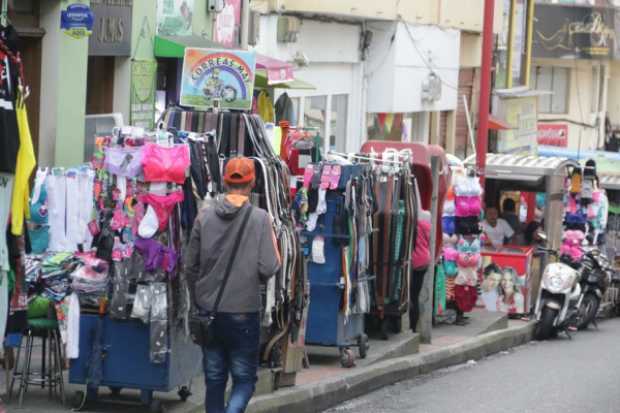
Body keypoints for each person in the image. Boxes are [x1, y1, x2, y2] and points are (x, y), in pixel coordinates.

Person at [185, 157, 281, 413]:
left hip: (209, 311)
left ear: (225, 182)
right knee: (244, 380)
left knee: (215, 379)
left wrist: (200, 295)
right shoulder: (260, 219)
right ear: (252, 184)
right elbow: (270, 266)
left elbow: (189, 266)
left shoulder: (203, 217)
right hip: (243, 311)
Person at [410, 210, 431, 333]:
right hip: (424, 261)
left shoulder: (413, 224)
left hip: (414, 261)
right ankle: (413, 327)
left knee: (411, 296)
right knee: (415, 296)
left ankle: (412, 327)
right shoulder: (427, 225)